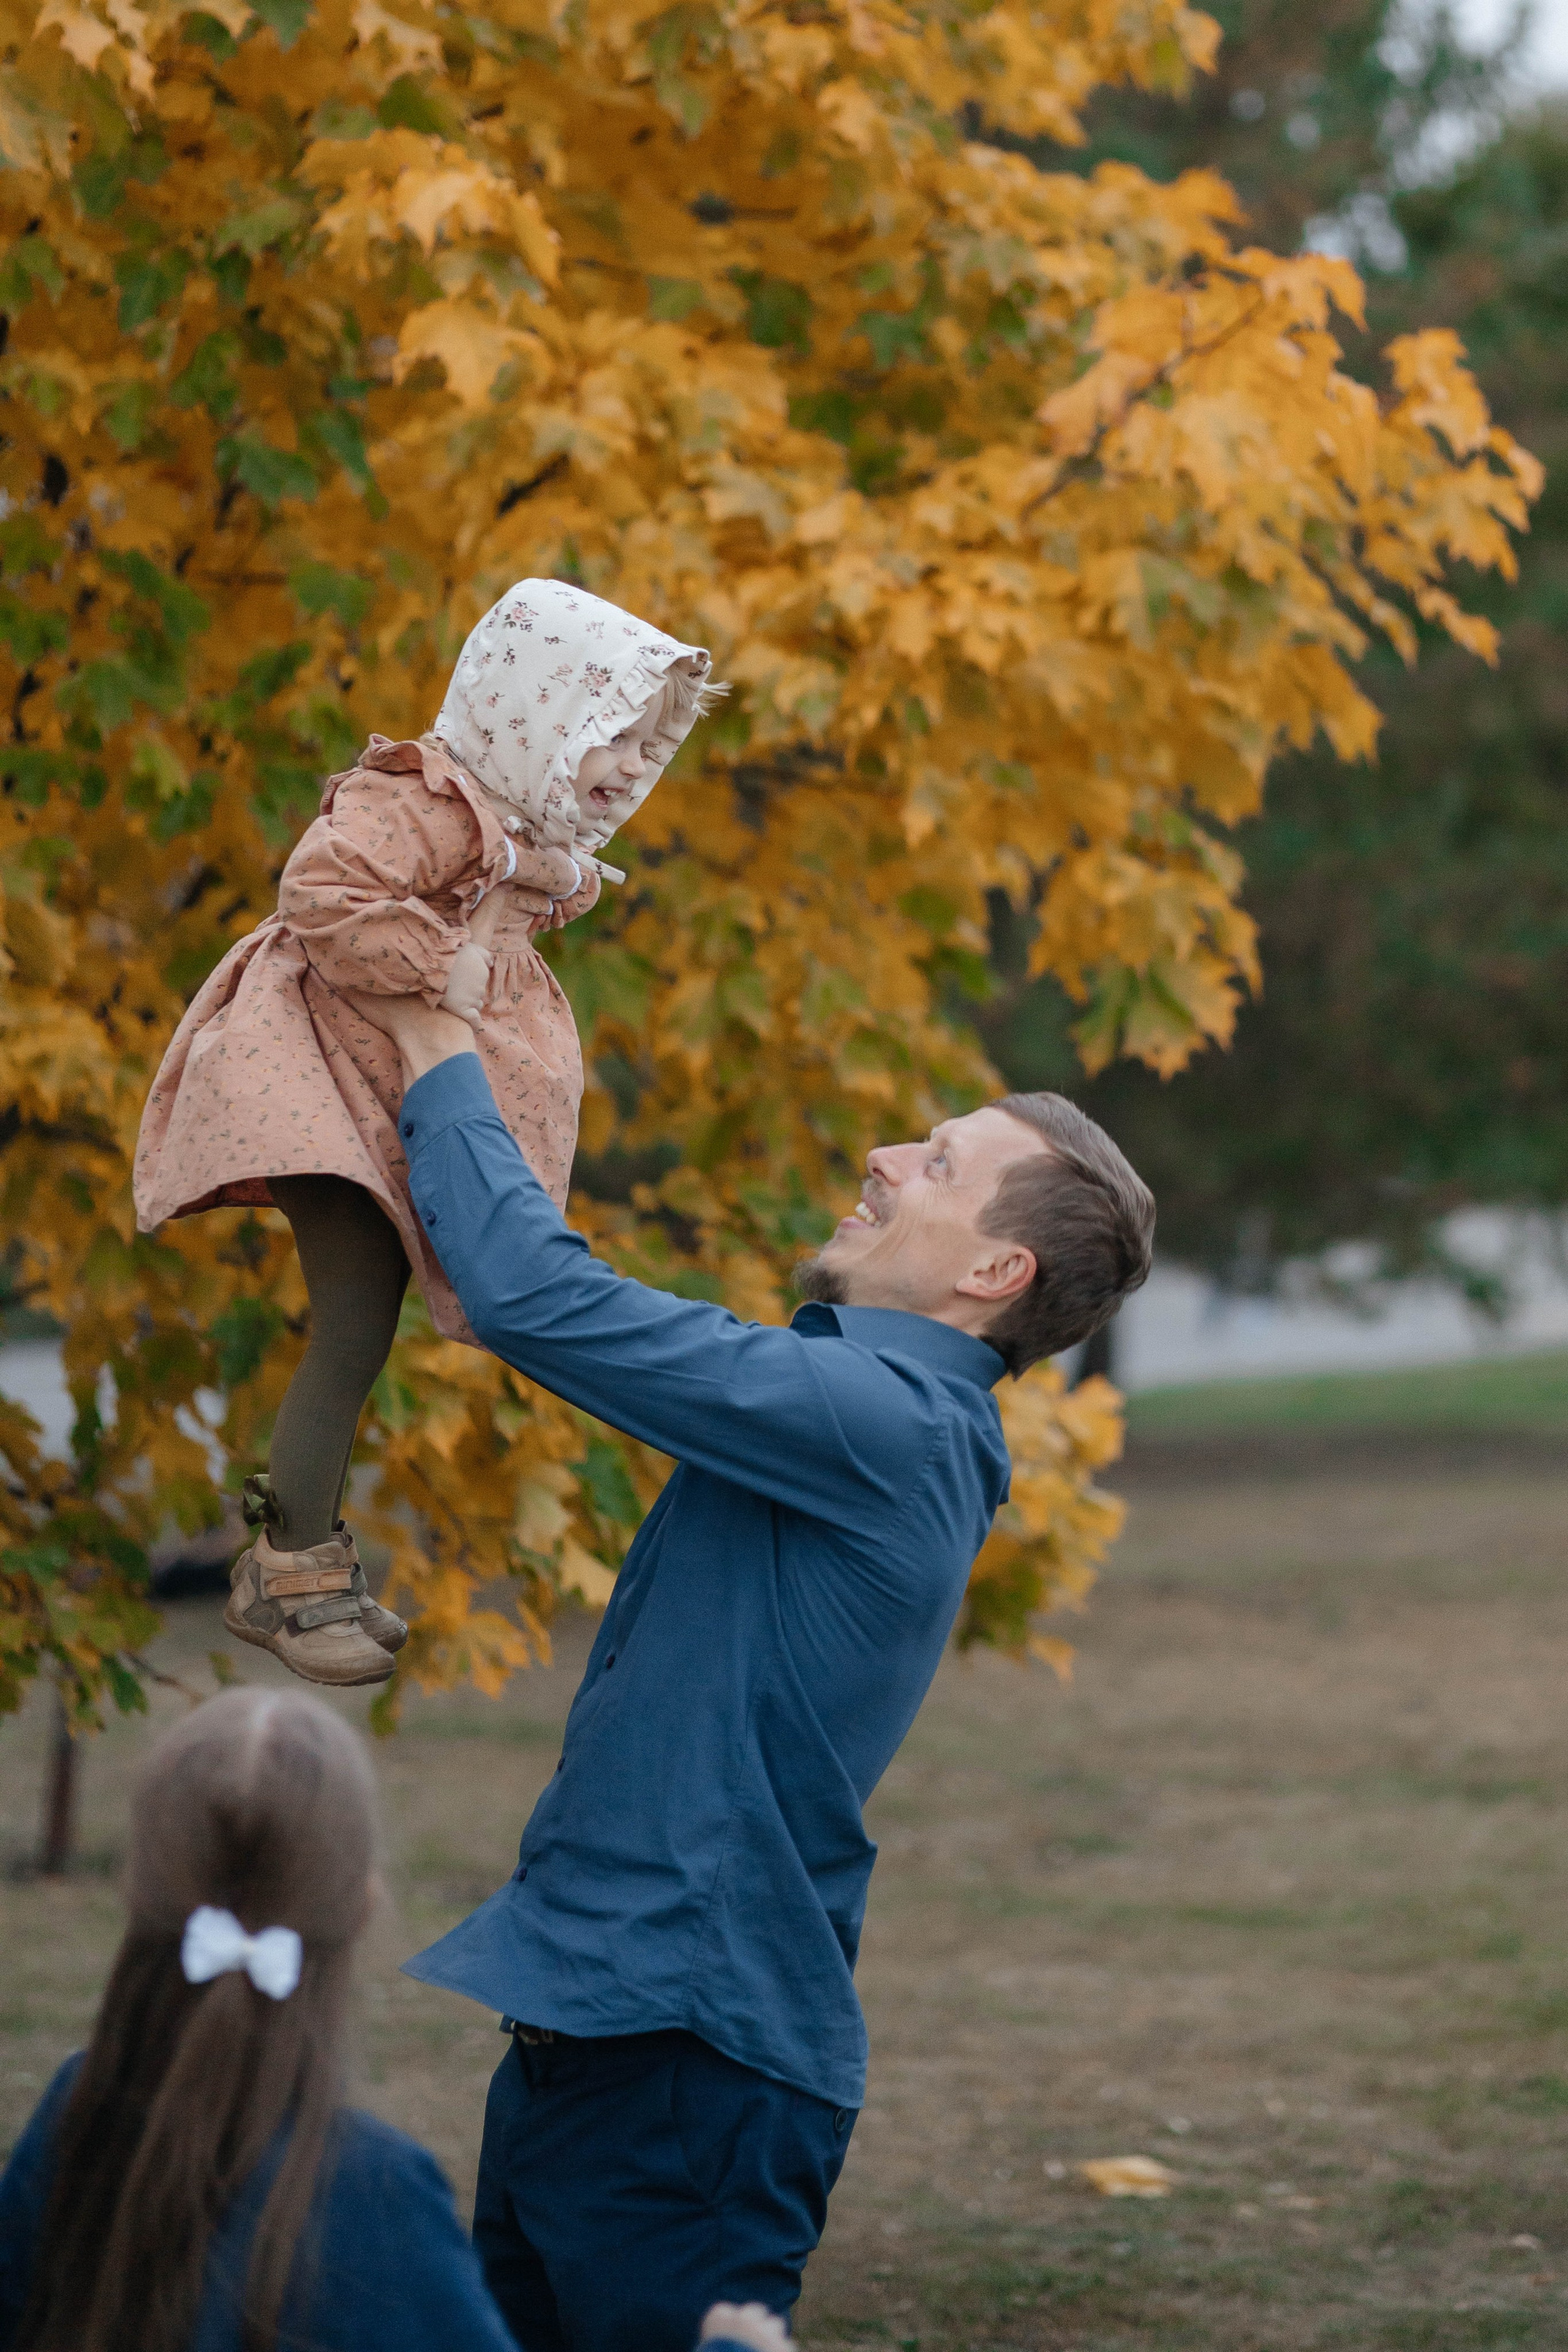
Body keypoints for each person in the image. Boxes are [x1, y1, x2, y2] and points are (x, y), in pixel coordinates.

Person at [346, 988, 1156, 2352]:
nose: (887, 1159)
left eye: (939, 1165)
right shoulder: (842, 1406)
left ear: (991, 1275)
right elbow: (526, 1301)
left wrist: (436, 1039)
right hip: (595, 2036)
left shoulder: (887, 1421)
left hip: (690, 2078)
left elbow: (539, 1296)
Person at [132, 579, 720, 1689]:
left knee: (380, 1314)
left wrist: (510, 901)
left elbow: (561, 883)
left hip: (388, 1083)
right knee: (354, 1319)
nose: (638, 768)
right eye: (617, 738)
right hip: (326, 1072)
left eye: (655, 749)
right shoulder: (420, 801)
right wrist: (446, 960)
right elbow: (322, 892)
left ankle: (305, 1556)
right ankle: (291, 1568)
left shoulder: (511, 829)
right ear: (539, 714)